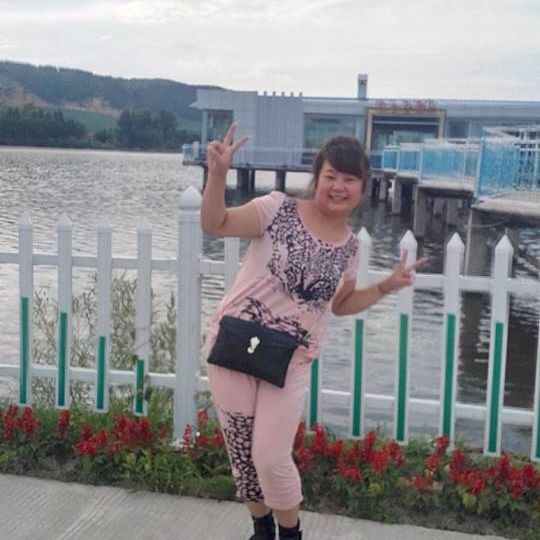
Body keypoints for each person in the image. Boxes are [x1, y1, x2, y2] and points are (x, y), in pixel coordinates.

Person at [200, 124, 425, 540]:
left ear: (362, 188)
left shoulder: (350, 247)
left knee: (270, 457)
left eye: (349, 179)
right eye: (331, 176)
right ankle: (261, 531)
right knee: (242, 452)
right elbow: (216, 223)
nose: (338, 186)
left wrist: (385, 286)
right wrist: (217, 176)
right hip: (234, 342)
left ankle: (291, 535)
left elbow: (340, 304)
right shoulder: (276, 208)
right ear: (317, 177)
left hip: (291, 357)